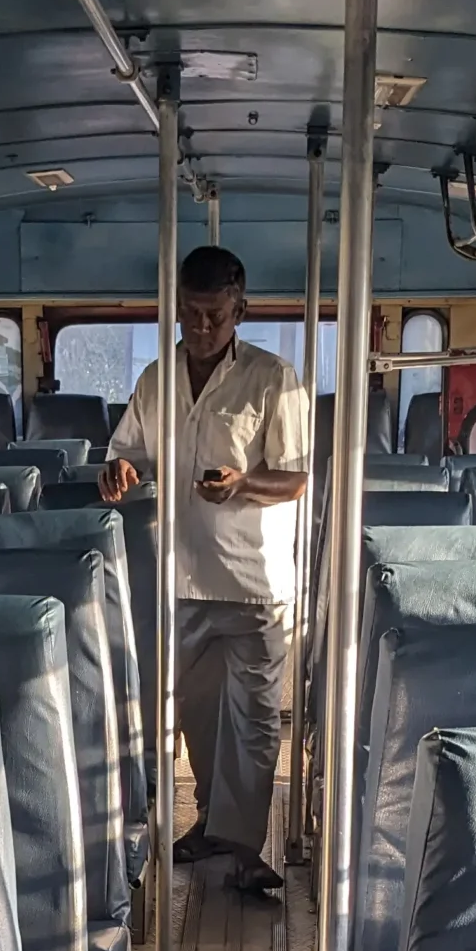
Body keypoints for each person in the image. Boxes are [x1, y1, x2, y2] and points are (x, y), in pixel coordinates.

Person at [100, 245, 309, 897]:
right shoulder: (157, 381)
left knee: (250, 720)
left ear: (239, 311)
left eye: (213, 315)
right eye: (189, 314)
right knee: (195, 714)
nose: (200, 327)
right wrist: (119, 471)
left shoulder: (275, 379)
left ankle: (245, 848)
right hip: (181, 576)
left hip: (255, 582)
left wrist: (245, 483)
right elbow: (127, 452)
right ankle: (212, 824)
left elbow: (297, 476)